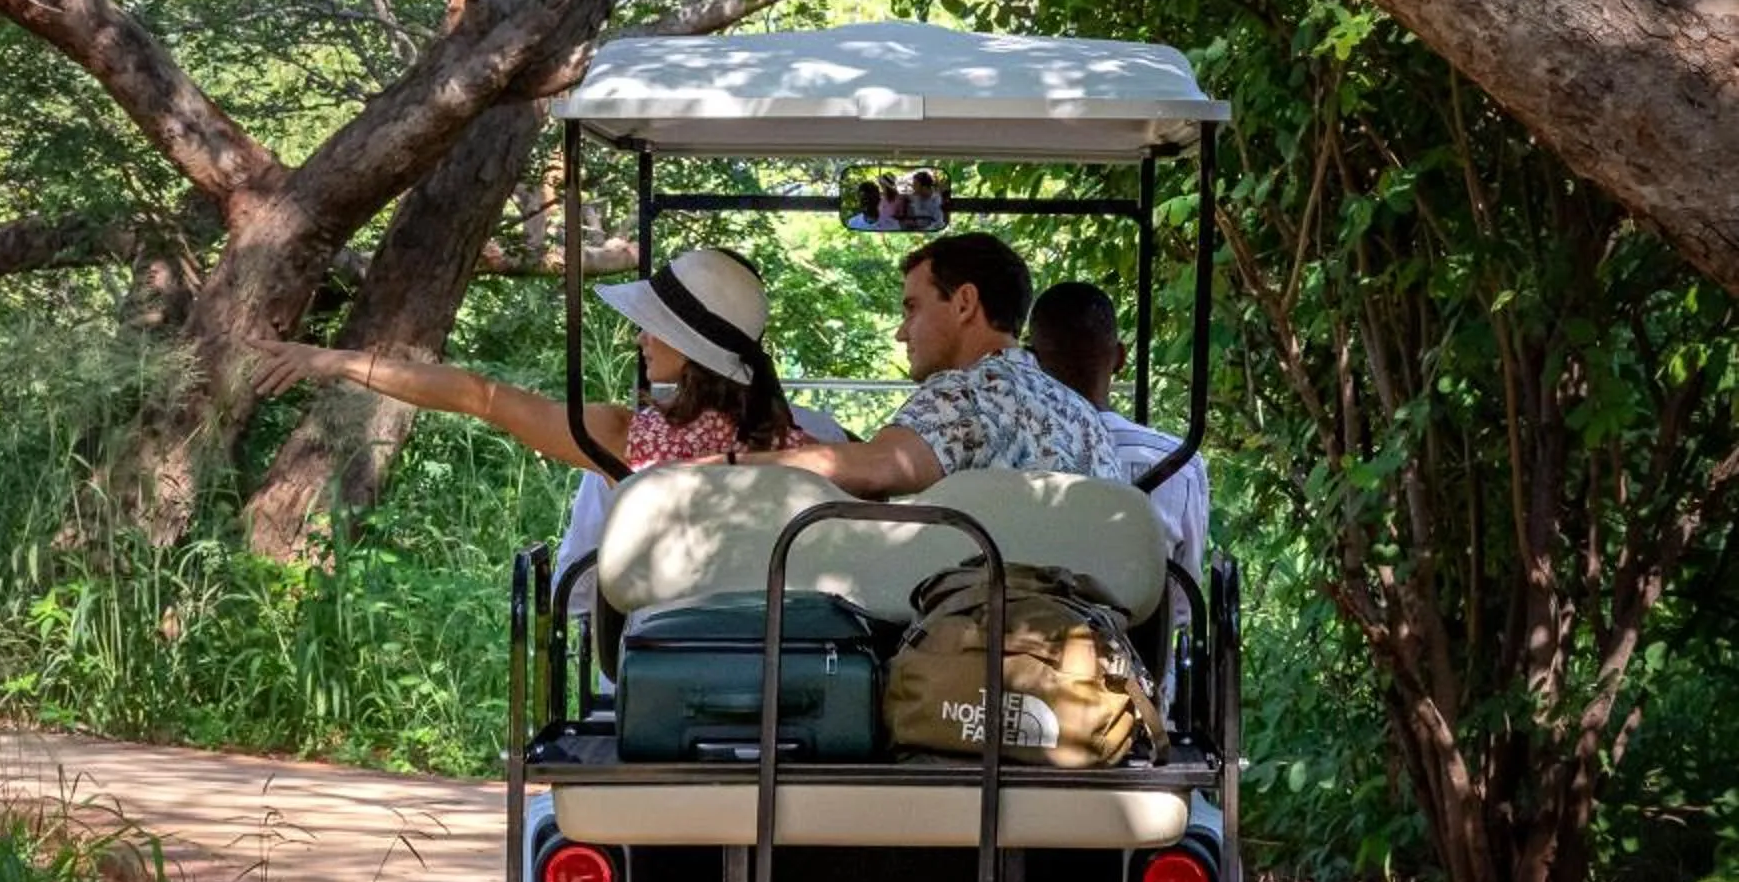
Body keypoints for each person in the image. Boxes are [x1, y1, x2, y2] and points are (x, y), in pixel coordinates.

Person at [247, 246, 822, 474]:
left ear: (692, 354)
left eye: (654, 327)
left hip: (672, 642)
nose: (640, 338)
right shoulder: (806, 449)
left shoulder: (628, 438)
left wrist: (342, 362)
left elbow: (481, 397)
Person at [734, 231, 1123, 495]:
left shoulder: (971, 391)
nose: (901, 333)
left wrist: (728, 464)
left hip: (995, 594)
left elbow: (877, 467)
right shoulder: (1080, 414)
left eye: (912, 308)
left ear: (964, 303)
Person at [1025, 280, 1210, 684]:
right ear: (1120, 358)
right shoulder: (1176, 462)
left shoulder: (1015, 454)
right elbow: (1183, 600)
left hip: (1023, 667)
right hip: (1140, 677)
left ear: (1031, 361)